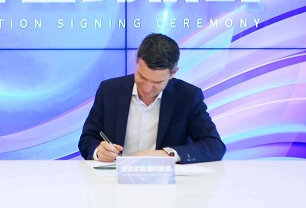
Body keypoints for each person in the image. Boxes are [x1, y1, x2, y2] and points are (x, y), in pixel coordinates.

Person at [79, 33, 225, 163]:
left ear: (173, 73)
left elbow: (214, 146)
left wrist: (166, 154)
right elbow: (87, 139)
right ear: (136, 62)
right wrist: (98, 151)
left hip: (168, 181)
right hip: (114, 178)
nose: (147, 88)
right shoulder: (109, 90)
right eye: (142, 77)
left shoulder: (188, 96)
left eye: (157, 82)